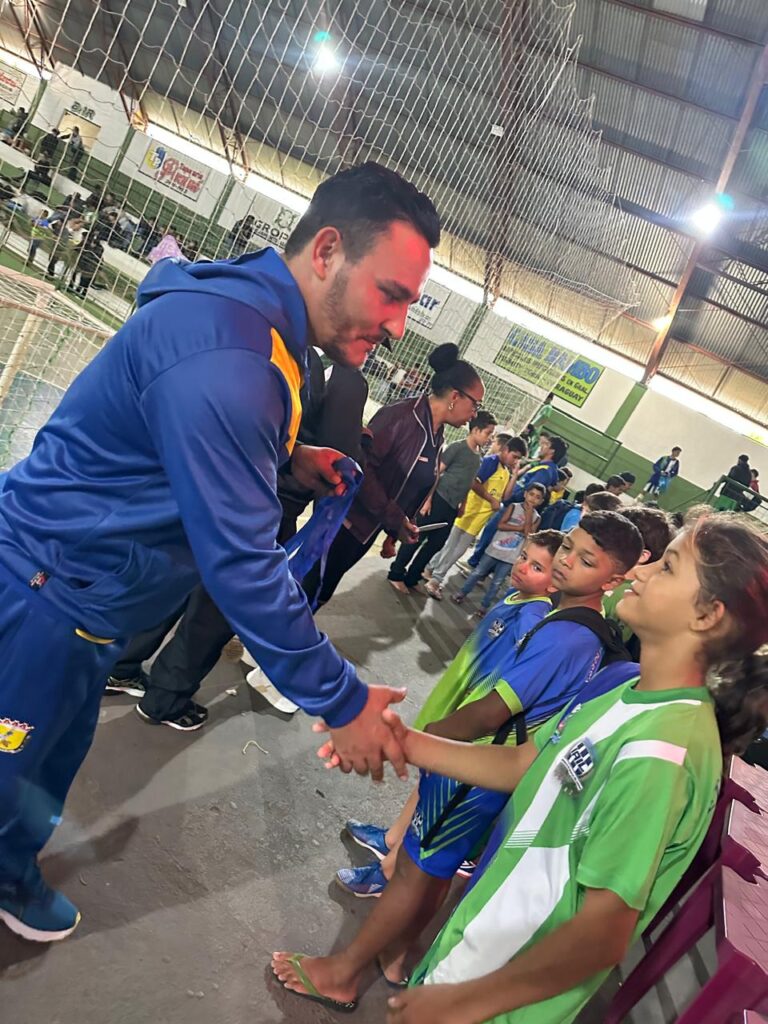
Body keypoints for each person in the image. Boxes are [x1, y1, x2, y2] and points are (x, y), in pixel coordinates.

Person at [0, 161, 440, 942]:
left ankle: (7, 873)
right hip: (46, 594)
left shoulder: (261, 329)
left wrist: (288, 455)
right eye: (392, 293)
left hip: (89, 597)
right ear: (328, 250)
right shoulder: (232, 356)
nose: (400, 324)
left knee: (43, 767)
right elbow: (241, 564)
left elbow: (183, 436)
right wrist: (341, 702)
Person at [361, 512, 768, 1024]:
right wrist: (399, 740)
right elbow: (525, 765)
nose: (640, 572)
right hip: (479, 946)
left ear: (708, 614)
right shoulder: (626, 688)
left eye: (666, 567)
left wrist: (465, 1002)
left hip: (500, 1003)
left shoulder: (664, 754)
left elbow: (602, 934)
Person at [271, 513, 644, 1001]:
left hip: (475, 773)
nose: (566, 563)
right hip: (482, 771)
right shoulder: (574, 622)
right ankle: (396, 953)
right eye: (568, 548)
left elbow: (490, 713)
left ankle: (342, 977)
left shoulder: (566, 635)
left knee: (413, 871)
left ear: (615, 580)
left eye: (586, 560)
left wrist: (410, 738)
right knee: (432, 869)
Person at [105, 354, 370, 729]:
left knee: (178, 581)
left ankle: (122, 664)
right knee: (214, 612)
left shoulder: (287, 352)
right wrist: (357, 449)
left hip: (218, 487)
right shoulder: (346, 378)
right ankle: (165, 699)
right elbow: (341, 452)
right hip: (267, 503)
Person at [302, 343, 485, 608]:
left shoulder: (437, 436)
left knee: (320, 594)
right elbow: (363, 470)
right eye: (475, 403)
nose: (475, 413)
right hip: (342, 524)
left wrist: (394, 531)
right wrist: (394, 519)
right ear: (455, 396)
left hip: (367, 531)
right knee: (306, 590)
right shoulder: (401, 417)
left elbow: (410, 486)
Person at [387, 411, 497, 594]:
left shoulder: (477, 457)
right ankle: (396, 574)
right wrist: (428, 499)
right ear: (476, 430)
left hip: (452, 507)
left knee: (436, 544)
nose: (489, 438)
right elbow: (437, 472)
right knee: (417, 538)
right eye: (488, 433)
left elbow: (468, 482)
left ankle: (412, 577)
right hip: (438, 499)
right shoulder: (457, 448)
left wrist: (462, 504)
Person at [425, 436, 526, 600]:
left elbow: (506, 496)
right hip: (470, 512)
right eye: (514, 456)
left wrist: (515, 474)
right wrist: (491, 499)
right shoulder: (491, 462)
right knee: (454, 549)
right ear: (505, 450)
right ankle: (435, 580)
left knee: (453, 548)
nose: (515, 461)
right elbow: (474, 483)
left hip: (478, 519)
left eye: (518, 459)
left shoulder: (505, 471)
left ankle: (430, 568)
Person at [463, 434, 565, 574]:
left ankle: (476, 565)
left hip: (512, 507)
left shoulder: (545, 472)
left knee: (493, 534)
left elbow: (529, 492)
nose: (541, 447)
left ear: (551, 451)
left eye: (545, 445)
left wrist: (509, 500)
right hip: (511, 504)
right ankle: (479, 567)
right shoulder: (541, 467)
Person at [452, 482, 547, 615]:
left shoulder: (536, 518)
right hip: (495, 549)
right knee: (478, 572)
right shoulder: (514, 507)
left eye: (537, 497)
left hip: (511, 556)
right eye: (531, 494)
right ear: (525, 494)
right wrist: (519, 528)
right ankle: (461, 593)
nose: (533, 498)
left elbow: (529, 535)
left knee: (497, 583)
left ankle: (483, 607)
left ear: (541, 501)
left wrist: (529, 515)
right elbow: (501, 525)